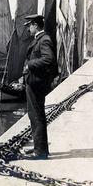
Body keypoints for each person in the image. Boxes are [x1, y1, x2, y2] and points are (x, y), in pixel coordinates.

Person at [22, 14, 57, 160]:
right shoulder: (40, 39)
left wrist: (29, 65)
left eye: (30, 25)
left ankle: (40, 152)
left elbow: (49, 59)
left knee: (36, 115)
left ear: (35, 25)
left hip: (37, 82)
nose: (28, 29)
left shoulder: (44, 40)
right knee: (36, 115)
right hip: (34, 81)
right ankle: (40, 147)